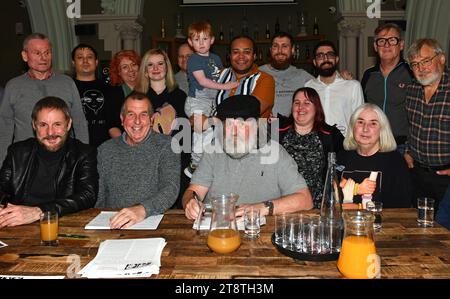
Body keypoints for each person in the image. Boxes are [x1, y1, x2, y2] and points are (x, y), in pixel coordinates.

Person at [182, 94, 313, 220]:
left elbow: (305, 200)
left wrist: (263, 208)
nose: (233, 132)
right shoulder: (212, 151)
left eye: (241, 125)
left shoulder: (275, 153)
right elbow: (194, 191)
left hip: (260, 234)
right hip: (218, 230)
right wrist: (191, 203)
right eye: (228, 125)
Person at [0, 97, 98, 228]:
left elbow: (87, 195)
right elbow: (2, 186)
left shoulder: (83, 153)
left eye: (57, 124)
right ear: (34, 125)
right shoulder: (17, 151)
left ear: (68, 125)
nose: (50, 132)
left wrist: (39, 212)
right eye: (43, 125)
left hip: (62, 225)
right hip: (18, 225)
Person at [95, 92, 180, 229]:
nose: (137, 121)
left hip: (154, 222)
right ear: (122, 119)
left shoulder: (167, 145)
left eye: (143, 114)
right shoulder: (105, 150)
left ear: (152, 119)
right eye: (131, 114)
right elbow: (100, 197)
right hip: (114, 224)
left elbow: (170, 189)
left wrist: (142, 210)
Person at [0, 33, 89, 163]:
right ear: (25, 56)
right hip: (25, 160)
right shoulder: (13, 86)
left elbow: (79, 122)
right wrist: (3, 163)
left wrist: (83, 158)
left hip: (63, 159)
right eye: (37, 53)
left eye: (47, 53)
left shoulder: (67, 83)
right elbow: (4, 128)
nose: (43, 57)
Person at [184, 21, 239, 178]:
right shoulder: (194, 59)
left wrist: (231, 80)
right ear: (190, 42)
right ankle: (195, 163)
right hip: (197, 100)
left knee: (214, 132)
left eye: (205, 39)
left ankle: (207, 163)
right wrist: (226, 86)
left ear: (212, 40)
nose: (201, 43)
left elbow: (221, 76)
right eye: (196, 39)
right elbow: (202, 81)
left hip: (211, 101)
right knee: (202, 130)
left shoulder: (215, 58)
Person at [337, 103, 412, 208]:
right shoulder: (341, 158)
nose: (365, 129)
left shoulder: (395, 162)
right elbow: (330, 199)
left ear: (382, 130)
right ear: (353, 127)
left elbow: (400, 208)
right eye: (360, 122)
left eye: (373, 123)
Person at [404, 38, 450, 208]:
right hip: (417, 174)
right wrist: (408, 150)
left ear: (442, 59)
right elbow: (411, 125)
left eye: (426, 61)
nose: (421, 68)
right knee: (420, 228)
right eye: (415, 64)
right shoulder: (412, 90)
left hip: (446, 176)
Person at [280, 87, 344, 209]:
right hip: (283, 204)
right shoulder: (276, 131)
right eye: (297, 103)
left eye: (307, 103)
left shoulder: (331, 135)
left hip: (319, 207)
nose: (300, 107)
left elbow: (344, 163)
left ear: (316, 108)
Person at [361, 23, 414, 153]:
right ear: (375, 46)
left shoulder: (412, 73)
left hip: (402, 147)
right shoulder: (368, 75)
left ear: (401, 45)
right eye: (381, 41)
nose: (386, 45)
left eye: (392, 40)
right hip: (372, 144)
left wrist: (410, 149)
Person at [305, 40, 364, 135]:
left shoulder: (353, 86)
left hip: (345, 144)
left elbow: (360, 119)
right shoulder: (308, 86)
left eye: (330, 54)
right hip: (317, 143)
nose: (325, 59)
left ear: (336, 59)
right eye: (320, 56)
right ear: (314, 62)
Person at [215, 35, 275, 119]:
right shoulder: (219, 75)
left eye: (247, 52)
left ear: (254, 56)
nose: (241, 57)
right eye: (236, 52)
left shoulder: (265, 79)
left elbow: (249, 113)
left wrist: (209, 121)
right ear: (229, 56)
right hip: (215, 131)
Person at [259, 32, 314, 118]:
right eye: (275, 46)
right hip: (266, 126)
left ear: (292, 50)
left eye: (284, 46)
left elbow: (323, 85)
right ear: (270, 50)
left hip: (293, 127)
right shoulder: (258, 73)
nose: (280, 51)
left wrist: (340, 76)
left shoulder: (302, 75)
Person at [72, 43, 117, 147]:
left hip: (105, 148)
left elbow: (114, 123)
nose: (85, 61)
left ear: (96, 62)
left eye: (89, 57)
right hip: (75, 148)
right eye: (80, 57)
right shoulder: (67, 88)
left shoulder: (110, 89)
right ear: (73, 63)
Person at [135, 48, 187, 135]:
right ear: (145, 71)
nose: (155, 68)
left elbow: (184, 132)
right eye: (150, 64)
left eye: (160, 64)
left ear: (167, 68)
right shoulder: (136, 97)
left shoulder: (180, 96)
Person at [108, 50, 141, 138]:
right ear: (119, 72)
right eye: (125, 67)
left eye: (134, 65)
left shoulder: (150, 89)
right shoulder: (113, 94)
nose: (131, 70)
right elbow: (112, 125)